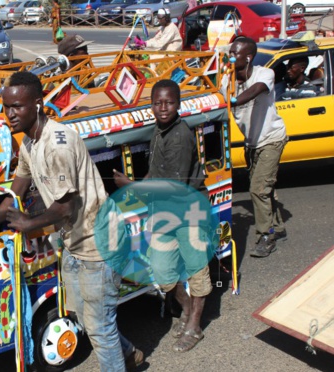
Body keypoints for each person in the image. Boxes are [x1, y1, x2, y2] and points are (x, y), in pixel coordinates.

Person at [0, 71, 144, 372]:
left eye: (17, 107)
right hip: (74, 243)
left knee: (100, 327)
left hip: (98, 245)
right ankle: (129, 354)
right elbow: (17, 188)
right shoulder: (28, 143)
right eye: (6, 106)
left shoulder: (58, 145)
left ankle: (122, 361)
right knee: (85, 319)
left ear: (37, 105)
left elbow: (65, 207)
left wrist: (28, 222)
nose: (10, 114)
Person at [113, 79, 212, 353]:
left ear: (178, 104)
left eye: (168, 102)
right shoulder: (159, 130)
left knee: (196, 270)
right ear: (152, 105)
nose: (163, 108)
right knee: (162, 270)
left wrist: (131, 187)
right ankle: (189, 309)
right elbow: (156, 172)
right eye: (157, 103)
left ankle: (194, 324)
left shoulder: (180, 137)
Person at [220, 37, 287, 257]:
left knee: (258, 189)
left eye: (234, 54)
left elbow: (254, 91)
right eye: (229, 52)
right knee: (264, 188)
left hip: (271, 138)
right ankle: (277, 226)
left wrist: (232, 101)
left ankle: (265, 236)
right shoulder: (226, 81)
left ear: (247, 57)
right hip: (252, 143)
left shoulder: (263, 74)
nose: (230, 57)